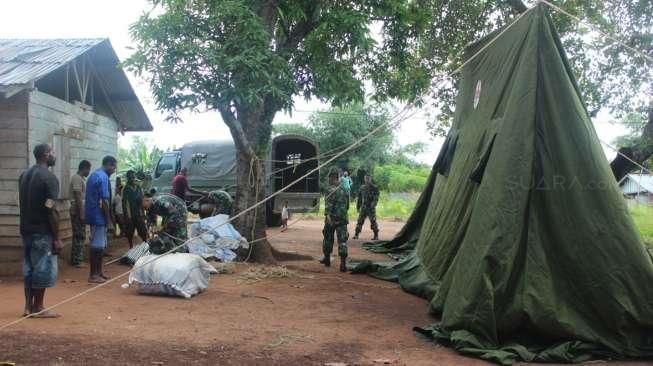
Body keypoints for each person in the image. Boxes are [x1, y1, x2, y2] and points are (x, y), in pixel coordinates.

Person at [18, 143, 62, 318]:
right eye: (52, 152)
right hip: (42, 231)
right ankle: (38, 307)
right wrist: (56, 237)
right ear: (45, 155)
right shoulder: (49, 178)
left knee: (28, 268)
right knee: (43, 268)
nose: (54, 156)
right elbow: (50, 209)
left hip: (26, 229)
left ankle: (28, 307)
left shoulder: (24, 175)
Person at [85, 156, 117, 283]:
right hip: (98, 216)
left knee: (100, 246)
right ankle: (93, 274)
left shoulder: (95, 175)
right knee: (97, 246)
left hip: (95, 215)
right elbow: (104, 201)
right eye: (114, 167)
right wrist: (109, 220)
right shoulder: (102, 177)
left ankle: (98, 272)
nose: (114, 170)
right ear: (109, 165)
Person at [320, 171, 349, 272]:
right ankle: (343, 264)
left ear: (333, 178)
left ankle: (327, 259)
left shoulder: (330, 190)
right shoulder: (345, 190)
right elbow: (347, 206)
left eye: (329, 178)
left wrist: (328, 218)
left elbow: (328, 207)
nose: (328, 180)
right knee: (343, 241)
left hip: (331, 218)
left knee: (328, 238)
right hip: (343, 219)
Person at [69, 160, 91, 268]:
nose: (89, 172)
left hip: (79, 210)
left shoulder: (81, 179)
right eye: (88, 170)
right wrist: (82, 214)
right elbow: (78, 197)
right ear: (85, 168)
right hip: (77, 210)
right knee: (79, 235)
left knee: (79, 234)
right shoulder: (77, 178)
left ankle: (76, 259)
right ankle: (77, 260)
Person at [122, 170, 148, 248]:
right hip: (130, 215)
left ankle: (145, 245)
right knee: (130, 232)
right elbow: (125, 204)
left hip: (139, 214)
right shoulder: (125, 189)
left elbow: (142, 200)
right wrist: (127, 216)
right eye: (130, 177)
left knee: (143, 231)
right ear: (128, 178)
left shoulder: (139, 187)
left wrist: (143, 213)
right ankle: (131, 247)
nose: (132, 179)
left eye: (133, 177)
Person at [353, 173, 380, 241]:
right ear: (364, 179)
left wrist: (373, 204)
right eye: (366, 178)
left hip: (371, 208)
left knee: (373, 222)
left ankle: (376, 235)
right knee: (359, 221)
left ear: (370, 179)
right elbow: (359, 199)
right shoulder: (362, 187)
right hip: (363, 207)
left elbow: (376, 198)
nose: (367, 180)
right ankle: (356, 234)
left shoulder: (375, 188)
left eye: (368, 178)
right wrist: (358, 207)